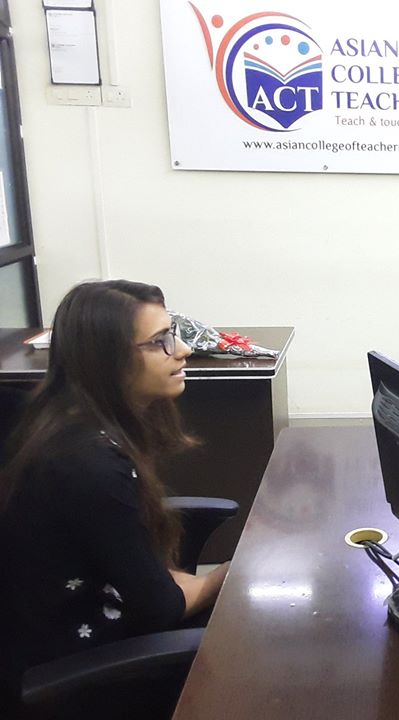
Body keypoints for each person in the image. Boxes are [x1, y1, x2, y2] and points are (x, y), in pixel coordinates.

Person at [0, 280, 229, 706]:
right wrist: (230, 575)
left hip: (88, 611)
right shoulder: (90, 466)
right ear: (108, 360)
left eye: (174, 333)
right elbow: (161, 607)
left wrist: (185, 582)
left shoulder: (69, 424)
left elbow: (131, 567)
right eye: (160, 341)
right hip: (81, 667)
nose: (182, 350)